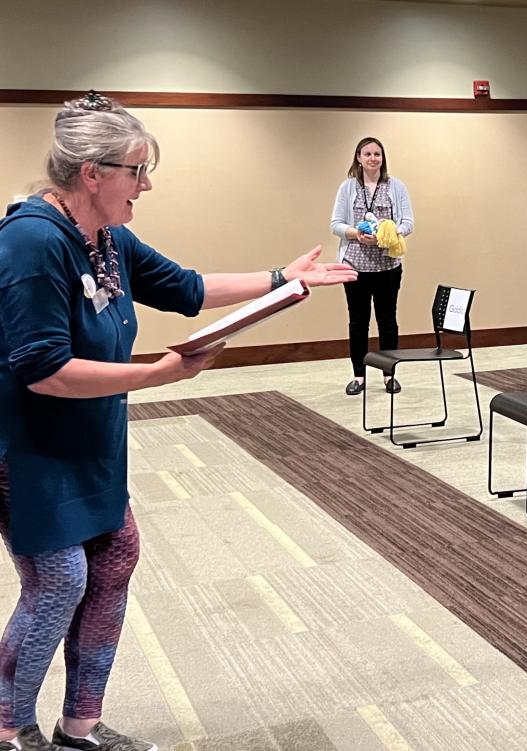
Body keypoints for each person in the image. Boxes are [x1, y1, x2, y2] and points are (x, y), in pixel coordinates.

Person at [0, 92, 356, 751]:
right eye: (138, 171)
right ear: (93, 174)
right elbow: (43, 368)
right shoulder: (30, 241)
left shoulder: (108, 240)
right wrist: (160, 374)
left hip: (90, 439)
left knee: (114, 558)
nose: (147, 184)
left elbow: (187, 287)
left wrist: (282, 278)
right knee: (60, 579)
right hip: (29, 444)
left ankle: (79, 726)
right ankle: (5, 726)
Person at [330, 137, 414, 396]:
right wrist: (356, 233)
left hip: (387, 266)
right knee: (358, 322)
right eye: (367, 154)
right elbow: (336, 224)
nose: (373, 158)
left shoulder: (396, 186)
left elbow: (408, 222)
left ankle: (390, 374)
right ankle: (359, 375)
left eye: (377, 154)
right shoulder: (347, 188)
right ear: (358, 157)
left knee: (388, 321)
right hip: (355, 266)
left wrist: (389, 233)